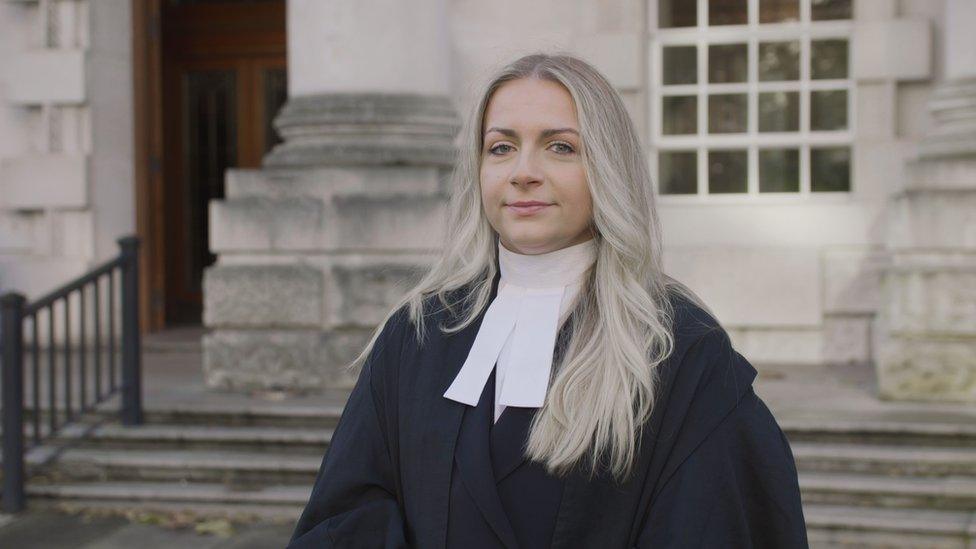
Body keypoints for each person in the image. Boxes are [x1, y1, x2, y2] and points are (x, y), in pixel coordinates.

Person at [287, 52, 808, 549]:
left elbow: (713, 527)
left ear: (607, 167)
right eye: (501, 147)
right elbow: (350, 512)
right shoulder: (419, 331)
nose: (522, 172)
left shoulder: (679, 352)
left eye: (560, 147)